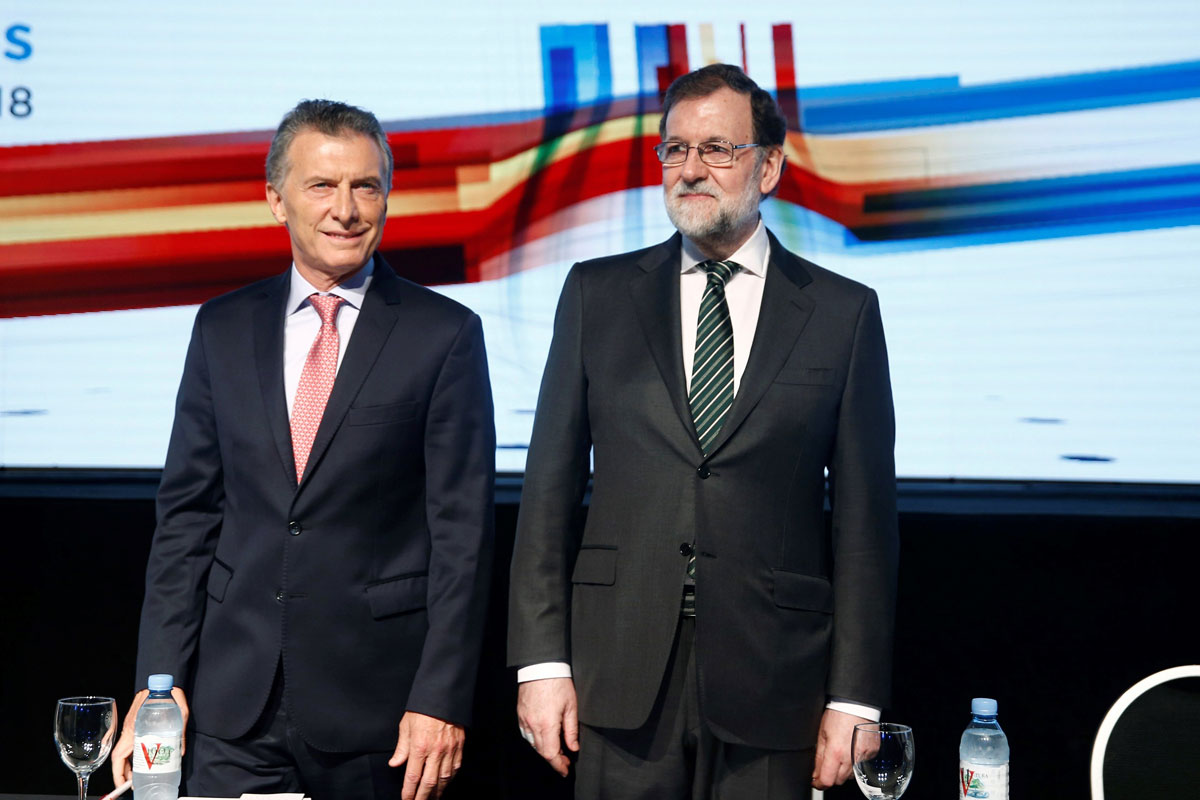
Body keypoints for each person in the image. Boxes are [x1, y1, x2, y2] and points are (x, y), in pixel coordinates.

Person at [508, 64, 899, 799]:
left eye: (717, 148)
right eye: (674, 149)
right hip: (617, 673)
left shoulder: (843, 314)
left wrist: (855, 697)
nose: (691, 169)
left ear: (770, 166)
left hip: (774, 675)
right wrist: (541, 664)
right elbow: (548, 494)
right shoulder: (598, 296)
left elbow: (865, 526)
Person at [111, 99, 496, 800]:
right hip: (230, 704)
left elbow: (463, 538)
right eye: (322, 185)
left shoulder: (444, 335)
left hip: (378, 710)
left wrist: (440, 697)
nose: (346, 209)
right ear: (274, 199)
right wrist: (156, 685)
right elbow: (186, 523)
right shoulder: (221, 328)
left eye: (365, 186)